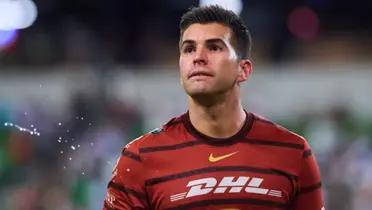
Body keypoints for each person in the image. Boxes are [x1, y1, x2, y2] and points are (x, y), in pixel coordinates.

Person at [103, 5, 325, 210]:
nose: (198, 57)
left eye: (214, 47)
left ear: (243, 70)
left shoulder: (293, 152)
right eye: (189, 49)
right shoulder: (140, 158)